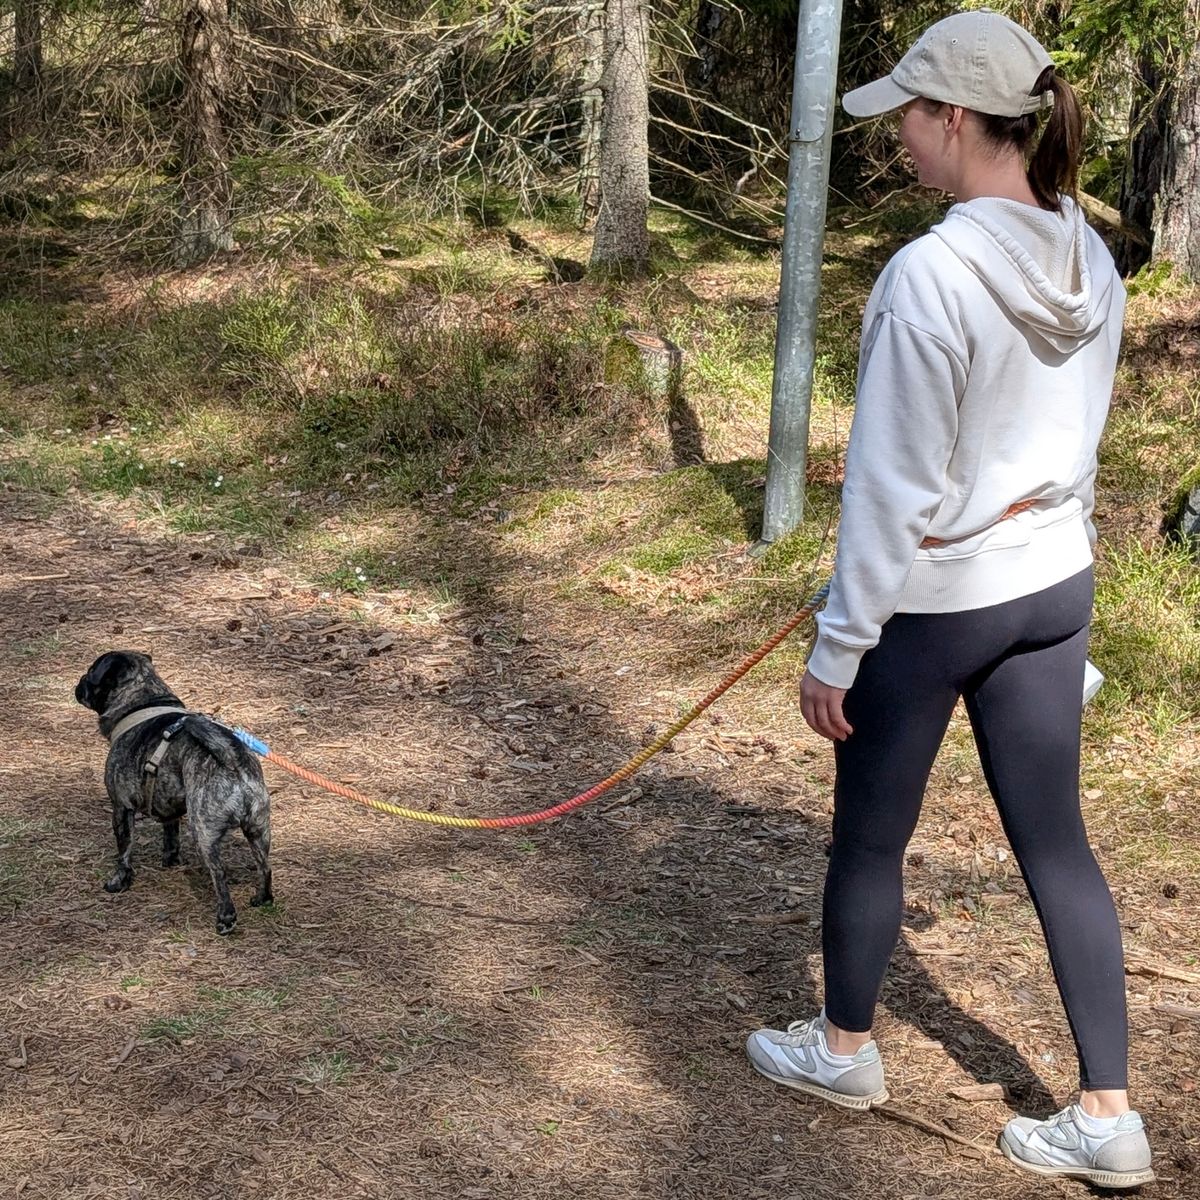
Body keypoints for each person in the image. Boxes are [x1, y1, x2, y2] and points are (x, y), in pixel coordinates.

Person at [743, 10, 1153, 1190]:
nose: (902, 145)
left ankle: (843, 1050)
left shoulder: (929, 274)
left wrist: (839, 643)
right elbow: (1074, 442)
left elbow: (890, 487)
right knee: (1059, 845)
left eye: (912, 121)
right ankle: (1108, 1116)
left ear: (960, 120)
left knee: (871, 835)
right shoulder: (1089, 252)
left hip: (937, 601)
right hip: (1051, 585)